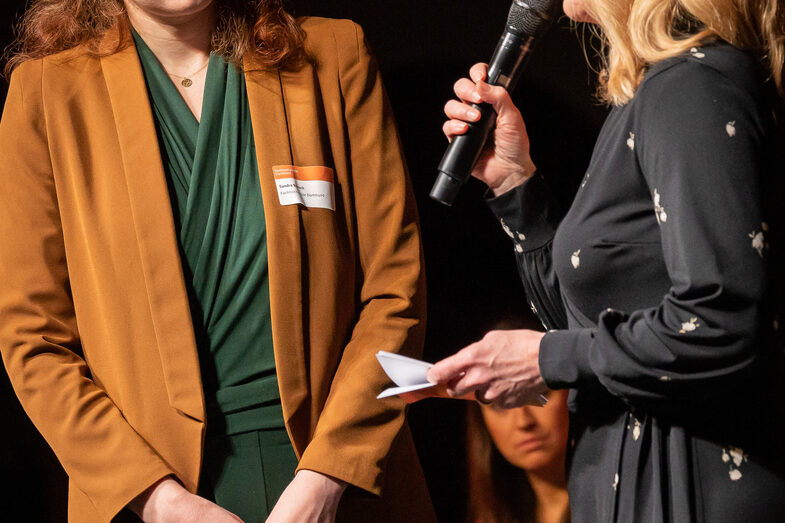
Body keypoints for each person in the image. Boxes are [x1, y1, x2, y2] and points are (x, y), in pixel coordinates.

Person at [0, 1, 435, 522]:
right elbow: (34, 340)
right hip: (152, 495)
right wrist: (161, 501)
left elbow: (396, 291)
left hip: (338, 487)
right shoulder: (49, 91)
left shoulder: (330, 58)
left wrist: (328, 476)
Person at [429, 0, 785, 521]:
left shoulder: (690, 87)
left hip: (689, 487)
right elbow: (590, 328)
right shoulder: (656, 92)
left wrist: (543, 359)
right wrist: (512, 183)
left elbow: (724, 320)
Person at [466, 389, 570, 523]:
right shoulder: (490, 517)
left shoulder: (603, 505)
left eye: (541, 395)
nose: (523, 422)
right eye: (500, 403)